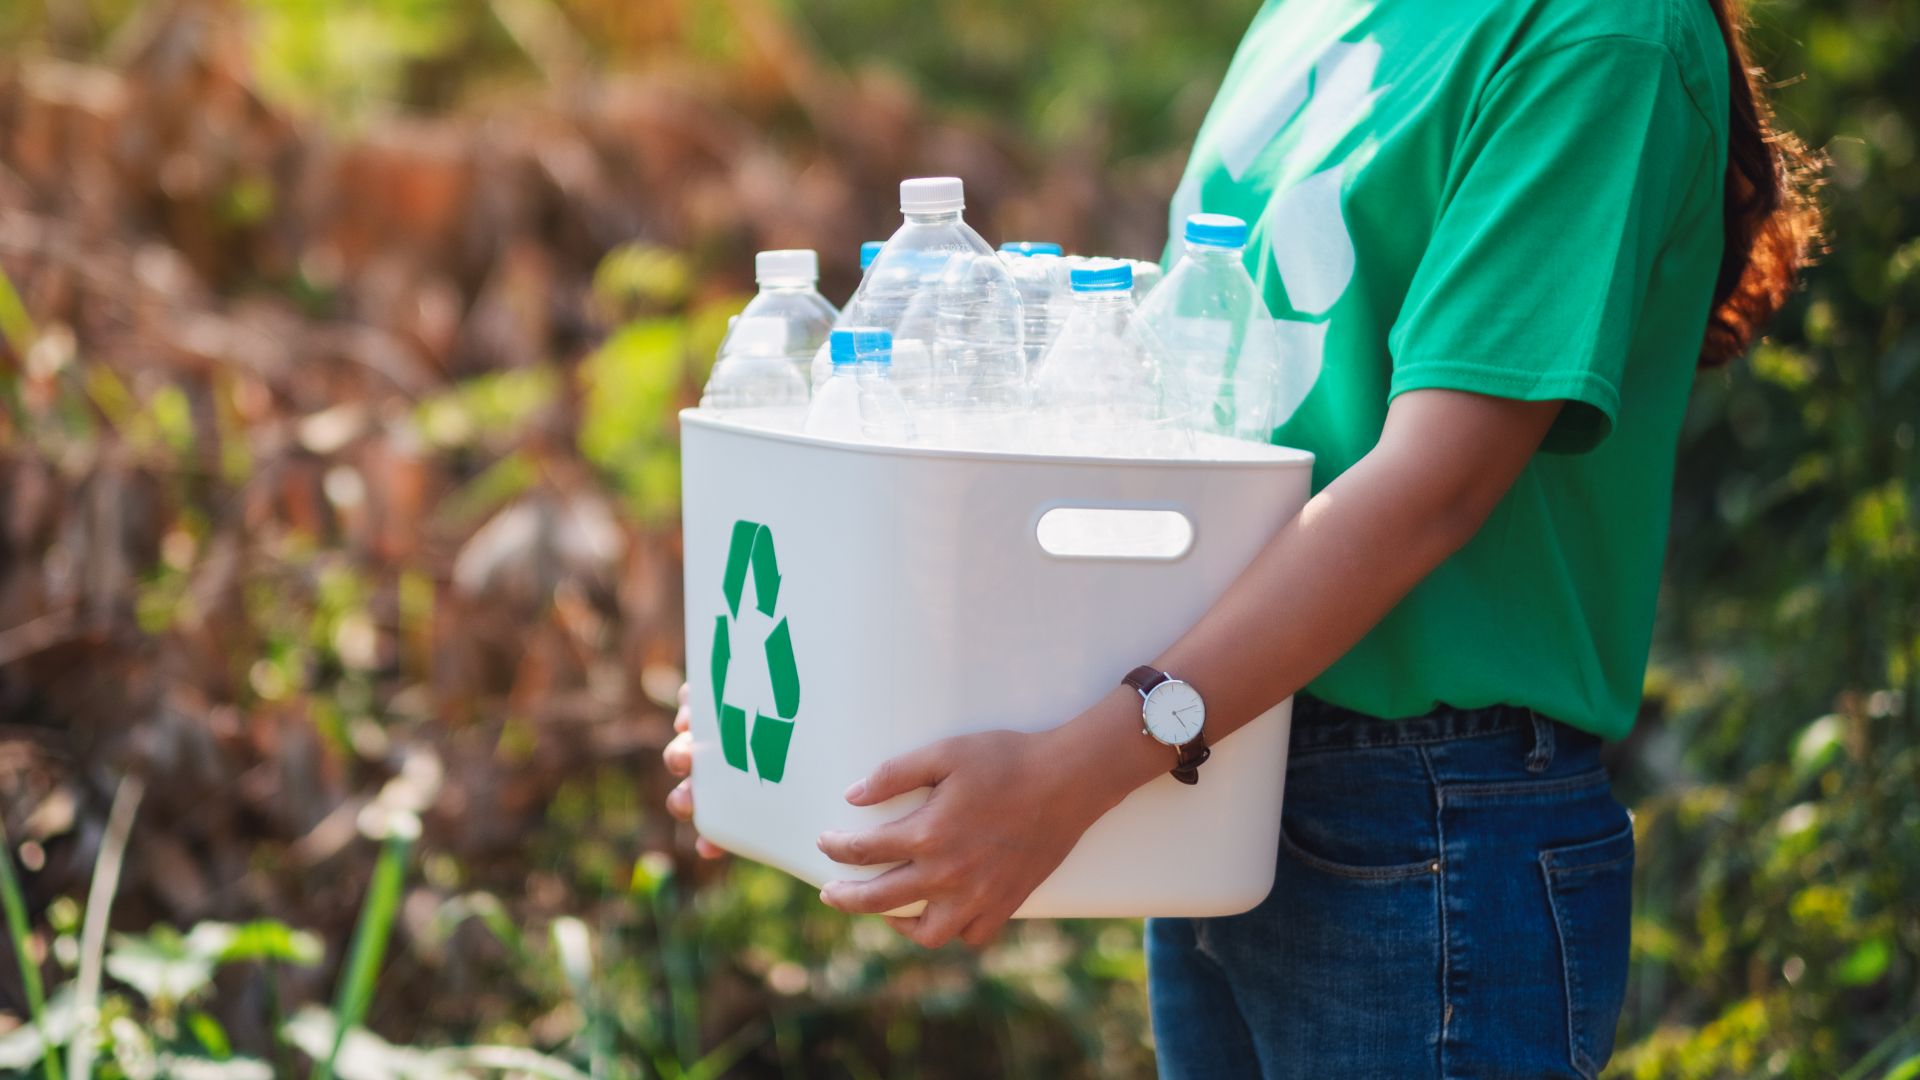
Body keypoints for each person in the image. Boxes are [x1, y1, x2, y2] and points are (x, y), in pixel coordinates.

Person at [662, 0, 1820, 1072]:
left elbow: (1434, 485)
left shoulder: (1596, 32)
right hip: (1211, 758)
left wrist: (1084, 766)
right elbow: (1196, 396)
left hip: (1424, 813)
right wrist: (813, 696)